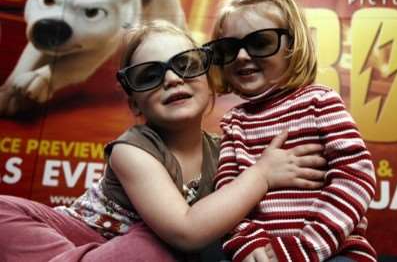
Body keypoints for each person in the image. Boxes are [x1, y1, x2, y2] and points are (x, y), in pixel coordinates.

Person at [0, 20, 328, 262]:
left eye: (185, 65)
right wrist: (262, 174)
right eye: (149, 75)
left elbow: (265, 208)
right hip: (82, 232)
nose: (172, 79)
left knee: (153, 247)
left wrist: (332, 213)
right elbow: (186, 231)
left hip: (142, 250)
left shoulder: (228, 149)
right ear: (134, 103)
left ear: (210, 79)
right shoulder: (132, 149)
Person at [205, 0, 377, 262]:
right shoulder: (233, 123)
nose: (243, 56)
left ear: (293, 45)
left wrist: (306, 247)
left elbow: (356, 178)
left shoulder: (319, 102)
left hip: (332, 251)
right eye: (229, 48)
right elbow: (228, 195)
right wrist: (247, 245)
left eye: (260, 42)